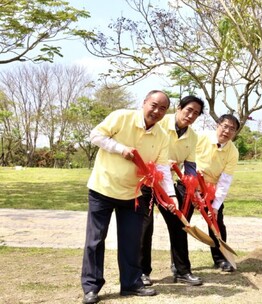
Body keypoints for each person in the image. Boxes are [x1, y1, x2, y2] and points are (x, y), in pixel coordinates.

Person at [81, 90, 176, 304]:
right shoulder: (121, 116)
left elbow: (161, 167)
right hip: (102, 188)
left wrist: (171, 196)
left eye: (162, 108)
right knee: (95, 241)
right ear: (144, 102)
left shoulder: (161, 136)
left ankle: (132, 283)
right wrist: (119, 148)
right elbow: (95, 135)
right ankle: (91, 287)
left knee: (132, 240)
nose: (157, 111)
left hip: (133, 194)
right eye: (154, 105)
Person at [139, 95, 205, 287]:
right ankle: (142, 272)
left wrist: (191, 185)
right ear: (179, 108)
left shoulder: (192, 136)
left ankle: (182, 270)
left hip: (169, 186)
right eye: (189, 110)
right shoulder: (160, 122)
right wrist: (159, 164)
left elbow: (190, 164)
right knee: (145, 227)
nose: (191, 115)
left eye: (196, 113)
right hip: (147, 182)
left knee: (179, 224)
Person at [195, 114, 240, 272]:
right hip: (190, 183)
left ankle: (221, 259)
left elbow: (225, 181)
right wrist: (193, 187)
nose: (227, 131)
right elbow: (188, 160)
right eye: (225, 126)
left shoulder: (232, 152)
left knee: (217, 222)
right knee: (179, 223)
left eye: (232, 129)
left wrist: (215, 206)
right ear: (218, 125)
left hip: (212, 189)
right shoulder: (200, 137)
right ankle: (179, 265)